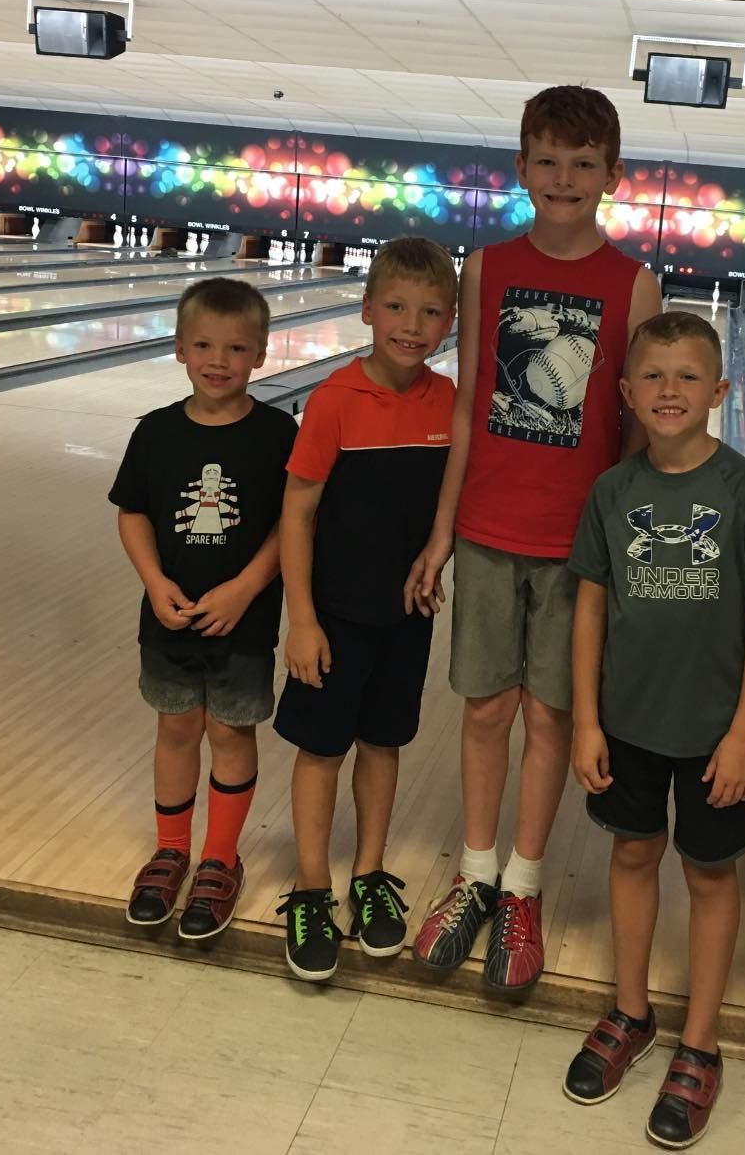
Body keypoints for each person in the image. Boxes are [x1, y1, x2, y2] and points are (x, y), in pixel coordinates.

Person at [405, 85, 663, 992]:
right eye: (547, 161)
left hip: (576, 546)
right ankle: (475, 877)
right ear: (521, 169)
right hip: (483, 529)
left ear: (611, 177)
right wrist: (441, 531)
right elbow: (473, 404)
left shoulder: (634, 284)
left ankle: (524, 885)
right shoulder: (487, 268)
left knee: (551, 715)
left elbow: (633, 436)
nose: (564, 179)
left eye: (583, 165)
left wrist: (622, 546)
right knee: (485, 709)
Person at [563, 311, 745, 1149]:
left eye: (688, 377)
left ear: (721, 393)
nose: (669, 390)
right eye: (653, 377)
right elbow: (589, 606)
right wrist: (586, 718)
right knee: (631, 853)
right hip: (627, 722)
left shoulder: (743, 492)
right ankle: (631, 1013)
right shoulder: (613, 491)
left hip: (713, 732)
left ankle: (702, 1042)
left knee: (709, 875)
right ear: (627, 393)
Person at [273, 236, 457, 982]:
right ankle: (312, 886)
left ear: (449, 323)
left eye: (431, 312)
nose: (412, 325)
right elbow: (297, 513)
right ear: (367, 310)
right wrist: (303, 618)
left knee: (383, 744)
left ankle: (369, 874)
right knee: (321, 750)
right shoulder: (334, 402)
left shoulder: (449, 403)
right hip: (336, 615)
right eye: (396, 307)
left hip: (406, 616)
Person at [109, 277, 297, 940]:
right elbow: (132, 515)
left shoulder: (278, 435)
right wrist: (154, 580)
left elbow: (291, 525)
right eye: (205, 346)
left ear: (263, 354)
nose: (220, 361)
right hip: (167, 617)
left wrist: (247, 586)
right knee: (177, 729)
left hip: (243, 623)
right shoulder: (156, 433)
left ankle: (219, 858)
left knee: (229, 732)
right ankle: (171, 850)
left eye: (237, 348)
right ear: (180, 350)